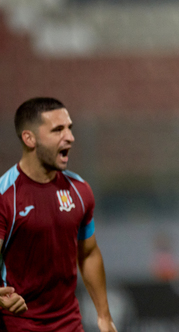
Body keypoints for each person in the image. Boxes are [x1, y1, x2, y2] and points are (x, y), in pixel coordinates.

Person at [0, 97, 117, 331]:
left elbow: (89, 254)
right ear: (29, 138)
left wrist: (104, 316)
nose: (70, 137)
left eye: (70, 128)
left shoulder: (79, 190)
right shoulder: (6, 196)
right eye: (58, 130)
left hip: (69, 324)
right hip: (18, 325)